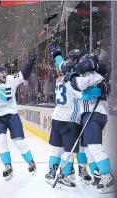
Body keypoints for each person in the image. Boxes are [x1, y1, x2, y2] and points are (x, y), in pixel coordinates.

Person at [0, 54, 37, 181]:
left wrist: (30, 63)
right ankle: (8, 166)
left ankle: (31, 162)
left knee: (19, 142)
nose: (5, 74)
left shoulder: (11, 79)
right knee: (1, 141)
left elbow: (24, 74)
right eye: (2, 72)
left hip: (12, 115)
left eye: (5, 71)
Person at [65, 54, 114, 194]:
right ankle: (100, 175)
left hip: (94, 113)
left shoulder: (92, 75)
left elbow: (77, 84)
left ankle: (108, 178)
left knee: (94, 146)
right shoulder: (93, 76)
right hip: (91, 114)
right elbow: (80, 92)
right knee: (87, 148)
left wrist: (72, 76)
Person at [45, 48, 91, 188]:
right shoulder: (76, 81)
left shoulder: (60, 79)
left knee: (57, 149)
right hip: (70, 121)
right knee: (69, 152)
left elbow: (60, 63)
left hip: (56, 118)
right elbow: (85, 96)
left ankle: (51, 172)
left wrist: (56, 53)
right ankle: (64, 175)